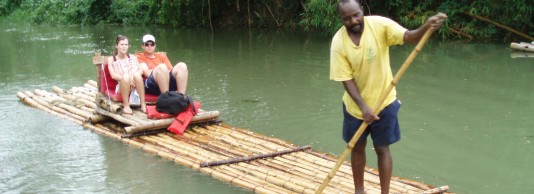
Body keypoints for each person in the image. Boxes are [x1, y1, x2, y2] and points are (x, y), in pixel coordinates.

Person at [329, 0, 447, 193]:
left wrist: (426, 27)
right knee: (357, 148)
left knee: (382, 148)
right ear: (342, 20)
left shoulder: (379, 25)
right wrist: (363, 107)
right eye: (347, 18)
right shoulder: (338, 43)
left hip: (385, 103)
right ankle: (359, 190)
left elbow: (408, 36)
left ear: (362, 10)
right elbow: (346, 79)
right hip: (355, 107)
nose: (353, 21)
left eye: (355, 15)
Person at [107, 35, 147, 114]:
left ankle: (143, 104)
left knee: (137, 75)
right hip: (122, 86)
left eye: (126, 45)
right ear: (116, 46)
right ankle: (126, 105)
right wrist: (128, 80)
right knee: (125, 77)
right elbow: (113, 75)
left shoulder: (132, 57)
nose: (124, 47)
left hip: (135, 84)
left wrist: (132, 78)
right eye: (122, 45)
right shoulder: (112, 59)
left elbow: (141, 70)